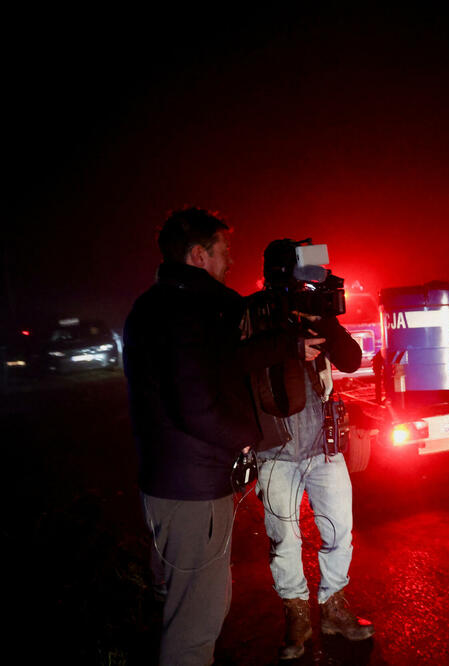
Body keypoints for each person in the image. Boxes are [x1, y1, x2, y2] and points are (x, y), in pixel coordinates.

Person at [124, 208, 316, 665]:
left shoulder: (156, 307)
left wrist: (289, 346)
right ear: (198, 255)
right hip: (192, 492)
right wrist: (247, 437)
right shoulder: (186, 313)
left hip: (171, 481)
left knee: (182, 601)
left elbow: (224, 360)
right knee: (197, 619)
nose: (230, 260)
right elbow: (196, 405)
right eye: (224, 250)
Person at [244, 238, 374, 660]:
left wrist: (326, 323)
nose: (305, 287)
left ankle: (333, 607)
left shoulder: (316, 313)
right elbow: (233, 361)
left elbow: (351, 360)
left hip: (324, 449)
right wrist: (287, 341)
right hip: (274, 451)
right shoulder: (250, 313)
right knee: (284, 538)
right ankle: (296, 617)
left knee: (340, 532)